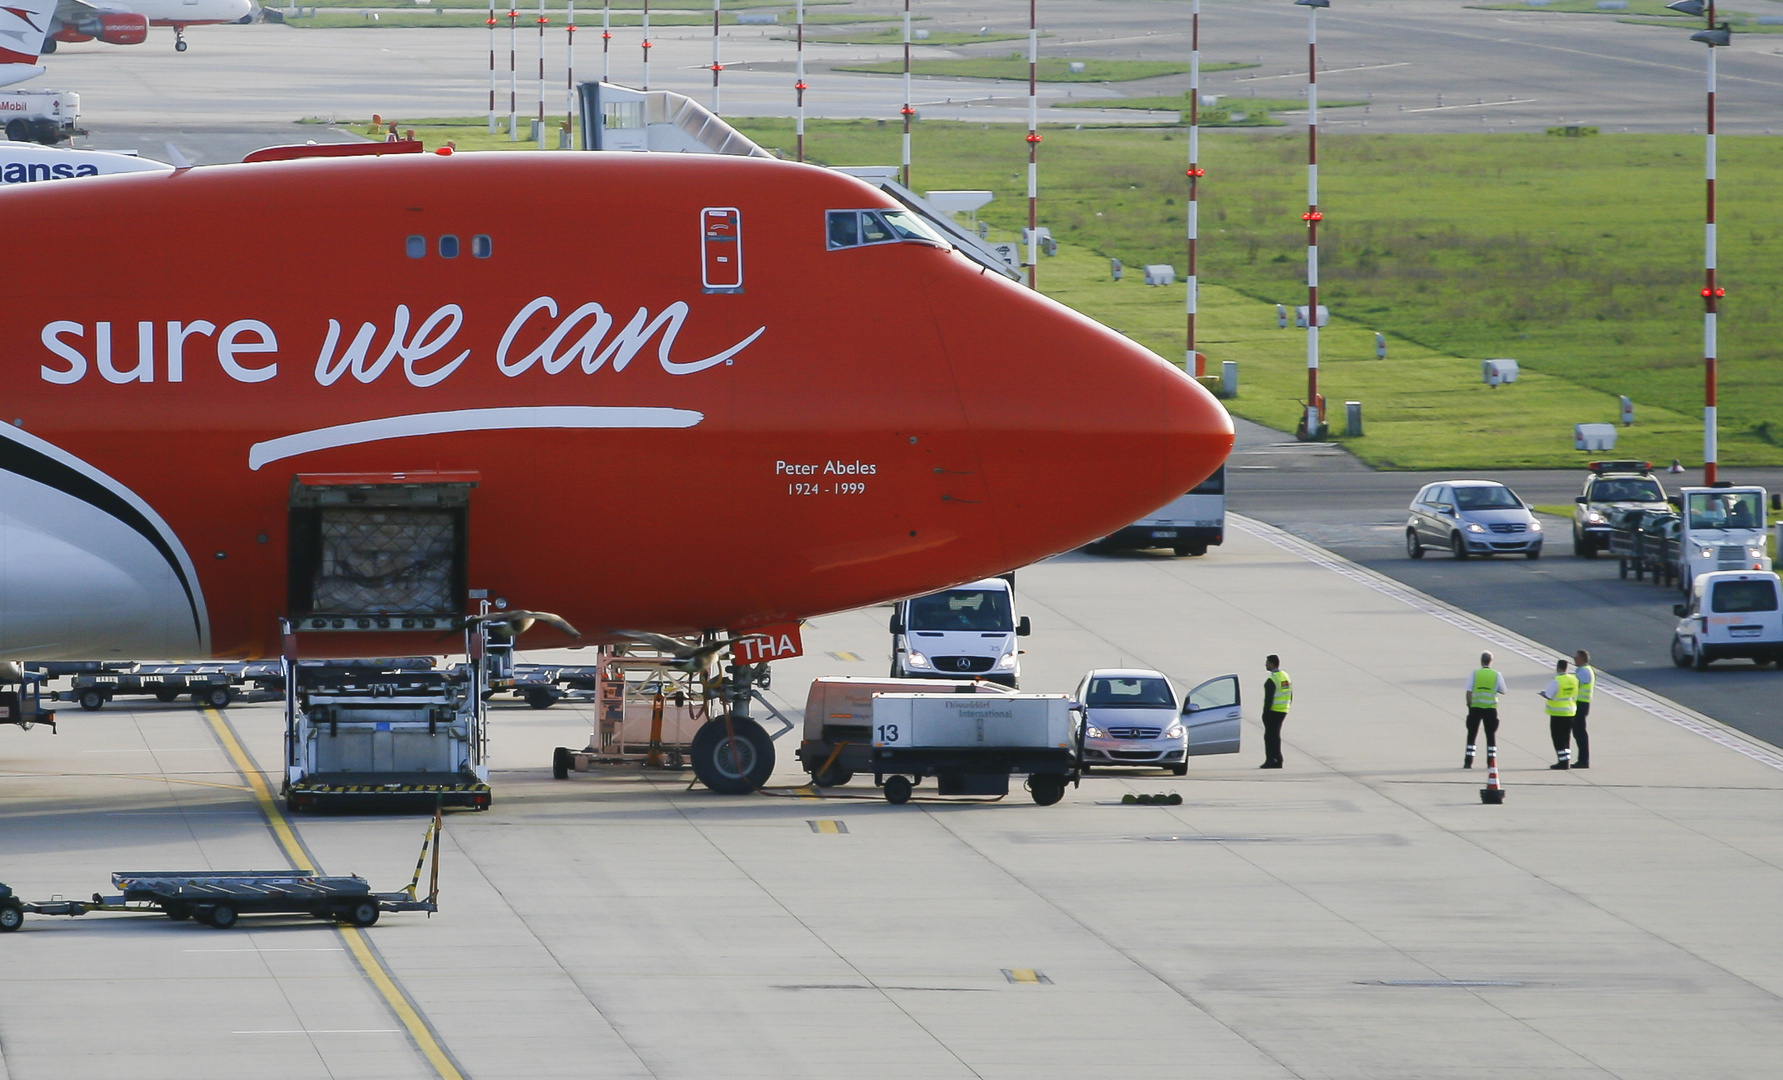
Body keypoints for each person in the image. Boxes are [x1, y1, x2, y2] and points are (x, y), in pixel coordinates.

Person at [1463, 651, 1506, 769]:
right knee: (1490, 735)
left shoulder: (1475, 674)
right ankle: (1491, 761)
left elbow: (1468, 692)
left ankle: (1468, 761)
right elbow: (1503, 690)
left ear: (1481, 661)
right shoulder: (1496, 675)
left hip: (1475, 708)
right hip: (1490, 709)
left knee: (1472, 734)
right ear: (1491, 661)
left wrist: (1469, 705)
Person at [1539, 657, 1579, 770]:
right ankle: (1566, 760)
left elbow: (1549, 695)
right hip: (1570, 711)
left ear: (1558, 668)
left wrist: (1543, 694)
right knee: (1566, 737)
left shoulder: (1556, 680)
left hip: (1557, 713)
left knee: (1557, 737)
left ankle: (1562, 762)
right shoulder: (1574, 679)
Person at [1260, 655, 1291, 769]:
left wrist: (1265, 713)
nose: (1266, 665)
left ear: (1272, 664)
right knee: (1275, 735)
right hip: (1283, 710)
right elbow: (1290, 693)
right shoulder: (1285, 676)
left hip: (1273, 711)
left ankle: (1271, 759)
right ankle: (1278, 759)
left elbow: (1269, 699)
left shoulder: (1272, 680)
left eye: (1267, 662)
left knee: (1269, 736)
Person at [1571, 649, 1594, 769]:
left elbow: (1576, 684)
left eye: (1576, 657)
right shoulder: (1582, 670)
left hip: (1581, 704)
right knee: (1578, 732)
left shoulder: (1584, 671)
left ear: (1582, 659)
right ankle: (1582, 759)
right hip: (1581, 703)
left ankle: (1584, 760)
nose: (1574, 659)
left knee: (1580, 733)